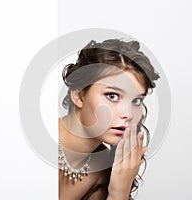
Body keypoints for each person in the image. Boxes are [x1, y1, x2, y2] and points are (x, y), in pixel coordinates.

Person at [58, 39, 160, 199]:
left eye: (136, 101)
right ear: (79, 96)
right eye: (112, 96)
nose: (129, 114)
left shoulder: (102, 169)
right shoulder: (34, 146)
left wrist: (119, 192)